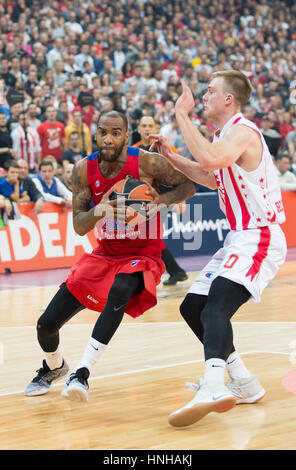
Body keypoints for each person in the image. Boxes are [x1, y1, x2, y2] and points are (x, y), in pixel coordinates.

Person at [24, 110, 195, 403]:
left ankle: (82, 373)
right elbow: (79, 226)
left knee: (120, 290)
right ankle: (55, 367)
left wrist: (163, 200)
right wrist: (100, 209)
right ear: (96, 133)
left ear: (126, 136)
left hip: (144, 254)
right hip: (105, 254)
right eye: (103, 132)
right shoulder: (83, 169)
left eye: (116, 133)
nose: (108, 138)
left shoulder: (147, 162)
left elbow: (188, 185)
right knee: (46, 325)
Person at [150, 71, 287, 427]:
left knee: (215, 310)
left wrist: (181, 114)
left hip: (259, 234)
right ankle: (243, 382)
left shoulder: (243, 131)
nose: (204, 96)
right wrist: (173, 157)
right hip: (239, 238)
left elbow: (211, 161)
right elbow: (212, 176)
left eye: (210, 91)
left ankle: (213, 385)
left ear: (229, 99)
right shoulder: (223, 136)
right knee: (193, 306)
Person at [133, 115, 189, 286]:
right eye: (144, 125)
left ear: (155, 128)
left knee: (148, 237)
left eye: (150, 125)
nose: (147, 128)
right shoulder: (133, 150)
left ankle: (147, 277)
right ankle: (176, 272)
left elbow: (181, 170)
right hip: (142, 200)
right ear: (138, 128)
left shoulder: (164, 146)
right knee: (148, 239)